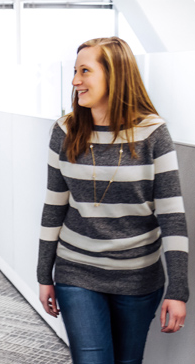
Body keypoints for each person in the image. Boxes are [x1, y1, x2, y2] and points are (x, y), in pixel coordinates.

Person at [37, 37, 189, 364]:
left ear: (115, 75)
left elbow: (172, 217)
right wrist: (43, 274)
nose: (75, 81)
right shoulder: (65, 130)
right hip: (76, 271)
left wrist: (178, 290)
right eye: (75, 71)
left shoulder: (153, 133)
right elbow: (54, 207)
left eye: (85, 71)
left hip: (138, 276)